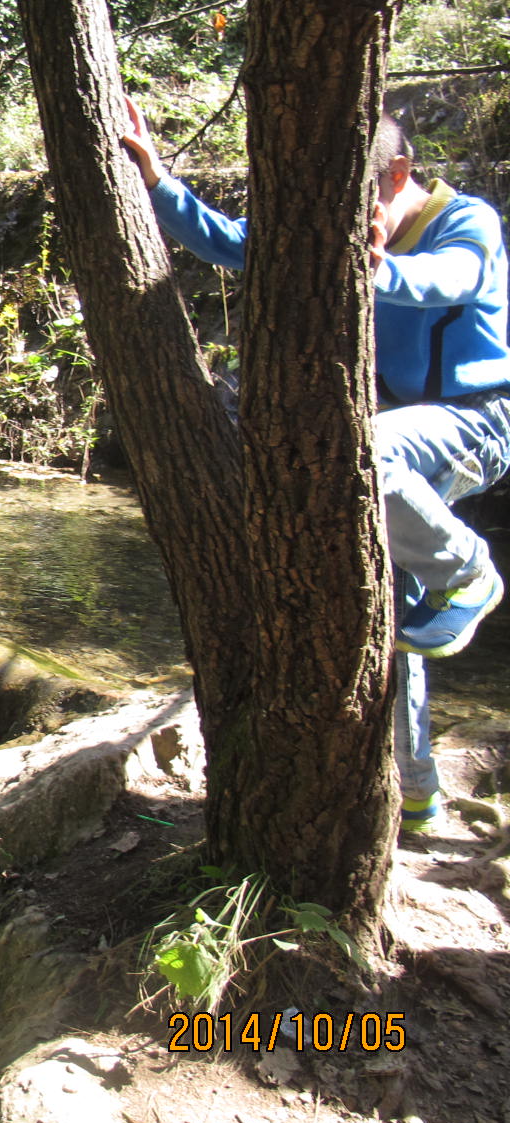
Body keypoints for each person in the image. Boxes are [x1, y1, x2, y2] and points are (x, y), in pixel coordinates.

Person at [121, 98, 510, 834]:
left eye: (362, 197)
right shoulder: (341, 225)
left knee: (364, 450)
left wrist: (379, 269)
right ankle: (417, 795)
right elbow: (238, 244)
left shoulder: (468, 222)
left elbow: (449, 282)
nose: (346, 218)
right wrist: (157, 179)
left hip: (478, 423)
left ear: (399, 174)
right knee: (386, 614)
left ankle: (469, 571)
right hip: (400, 437)